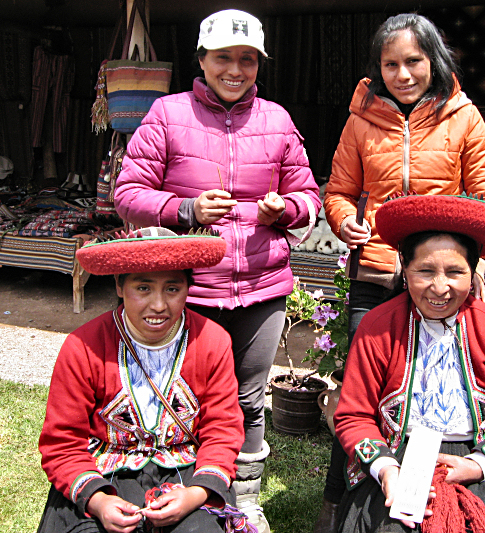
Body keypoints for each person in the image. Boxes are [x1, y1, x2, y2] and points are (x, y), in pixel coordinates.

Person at [114, 9, 321, 531]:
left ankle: (244, 497)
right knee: (190, 394)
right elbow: (127, 195)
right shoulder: (167, 113)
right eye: (223, 57)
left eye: (247, 59)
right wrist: (185, 211)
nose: (235, 69)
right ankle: (188, 488)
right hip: (191, 288)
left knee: (250, 399)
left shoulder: (276, 120)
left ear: (259, 64)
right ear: (201, 60)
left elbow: (309, 197)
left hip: (262, 285)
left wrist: (286, 211)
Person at [316, 14, 485, 530]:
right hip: (376, 274)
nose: (402, 74)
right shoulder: (360, 121)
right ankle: (343, 500)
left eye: (414, 62)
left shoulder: (462, 117)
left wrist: (476, 268)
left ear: (434, 61)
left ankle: (459, 490)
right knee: (362, 390)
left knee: (450, 387)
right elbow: (337, 190)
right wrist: (346, 222)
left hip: (444, 278)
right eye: (391, 64)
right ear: (377, 69)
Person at [333, 193, 485, 533]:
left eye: (454, 272)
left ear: (473, 272)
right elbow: (353, 415)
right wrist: (388, 470)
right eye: (424, 271)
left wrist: (477, 465)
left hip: (479, 449)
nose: (439, 287)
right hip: (398, 451)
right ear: (404, 269)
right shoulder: (377, 326)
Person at [36, 227, 249, 533]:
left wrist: (194, 495)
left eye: (173, 289)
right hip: (102, 471)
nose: (159, 305)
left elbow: (222, 430)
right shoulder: (83, 347)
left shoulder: (212, 342)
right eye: (144, 289)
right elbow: (62, 441)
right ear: (119, 286)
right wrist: (98, 501)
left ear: (189, 288)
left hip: (186, 472)